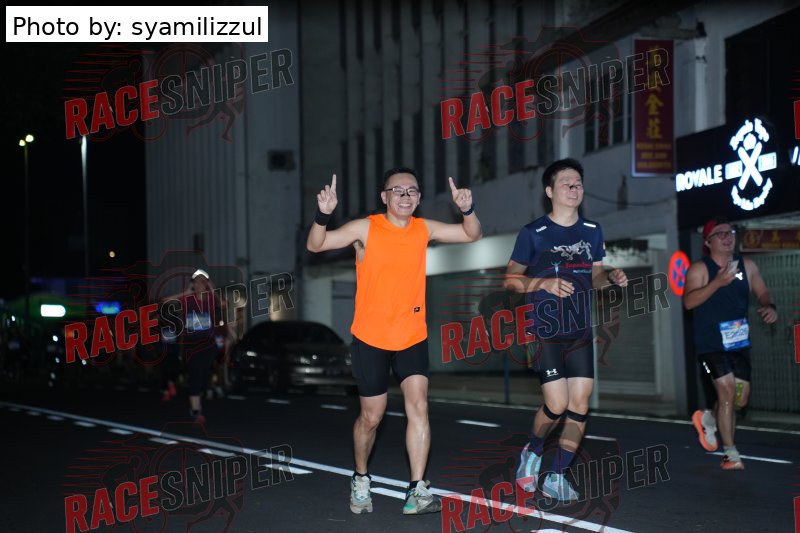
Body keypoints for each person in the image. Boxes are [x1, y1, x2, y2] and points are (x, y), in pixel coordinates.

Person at [306, 167, 482, 515]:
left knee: (419, 406)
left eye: (412, 191)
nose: (405, 196)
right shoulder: (365, 228)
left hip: (412, 334)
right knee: (372, 417)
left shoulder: (423, 228)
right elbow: (316, 244)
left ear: (419, 198)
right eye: (397, 190)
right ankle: (361, 477)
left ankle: (417, 490)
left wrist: (467, 209)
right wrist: (323, 214)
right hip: (370, 337)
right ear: (384, 197)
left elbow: (471, 234)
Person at [504, 158, 627, 501]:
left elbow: (596, 275)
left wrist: (610, 277)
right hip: (544, 329)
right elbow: (510, 279)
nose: (574, 189)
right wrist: (542, 283)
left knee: (580, 403)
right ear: (549, 191)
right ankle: (532, 451)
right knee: (556, 404)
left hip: (580, 329)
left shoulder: (593, 230)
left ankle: (557, 475)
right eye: (566, 183)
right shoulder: (534, 233)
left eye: (578, 184)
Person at [683, 217, 777, 470]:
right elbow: (688, 302)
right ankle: (731, 454)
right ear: (708, 242)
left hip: (739, 343)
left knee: (738, 401)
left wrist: (768, 306)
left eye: (730, 232)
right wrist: (717, 283)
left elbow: (762, 292)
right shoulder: (700, 269)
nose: (727, 237)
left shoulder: (748, 266)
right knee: (726, 393)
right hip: (711, 344)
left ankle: (709, 419)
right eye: (720, 233)